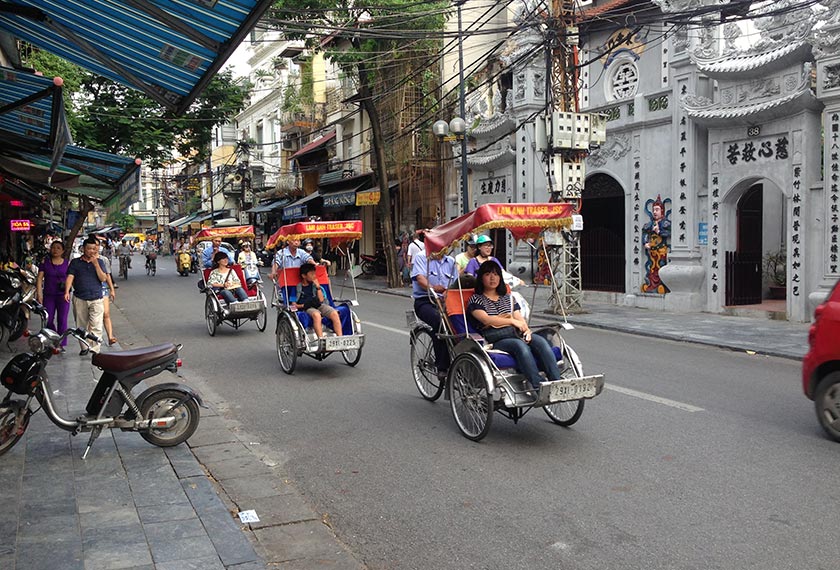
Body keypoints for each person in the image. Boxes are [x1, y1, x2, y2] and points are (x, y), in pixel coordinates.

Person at [468, 260, 561, 391]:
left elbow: (519, 318)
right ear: (481, 277)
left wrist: (527, 330)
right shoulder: (476, 299)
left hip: (516, 333)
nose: (492, 278)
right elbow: (486, 320)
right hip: (496, 338)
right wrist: (511, 321)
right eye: (488, 274)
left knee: (541, 342)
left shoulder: (508, 298)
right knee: (520, 346)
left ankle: (556, 381)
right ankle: (537, 384)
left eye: (496, 274)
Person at [411, 247, 458, 379]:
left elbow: (456, 284)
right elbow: (420, 279)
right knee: (439, 322)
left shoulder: (451, 262)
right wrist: (433, 288)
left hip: (447, 301)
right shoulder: (421, 257)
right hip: (426, 301)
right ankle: (442, 367)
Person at [64, 237, 109, 355]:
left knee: (96, 324)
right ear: (83, 249)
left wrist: (96, 265)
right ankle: (84, 347)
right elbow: (70, 276)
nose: (92, 251)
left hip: (96, 298)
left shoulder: (100, 262)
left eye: (94, 249)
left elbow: (103, 278)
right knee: (81, 325)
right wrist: (67, 291)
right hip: (80, 298)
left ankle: (95, 349)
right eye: (89, 249)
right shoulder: (75, 262)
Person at [36, 241, 71, 351]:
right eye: (53, 248)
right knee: (48, 319)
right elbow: (39, 278)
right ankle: (53, 337)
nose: (55, 250)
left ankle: (60, 343)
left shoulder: (67, 263)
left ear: (63, 251)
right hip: (48, 295)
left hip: (63, 296)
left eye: (58, 248)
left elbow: (71, 278)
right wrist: (39, 294)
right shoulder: (45, 263)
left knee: (62, 320)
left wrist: (68, 290)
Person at [294, 262, 342, 338]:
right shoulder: (296, 288)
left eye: (314, 274)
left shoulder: (314, 285)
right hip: (307, 307)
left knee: (334, 313)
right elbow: (293, 304)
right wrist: (304, 305)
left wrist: (318, 286)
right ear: (304, 276)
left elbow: (321, 300)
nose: (314, 276)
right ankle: (321, 339)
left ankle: (340, 338)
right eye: (311, 274)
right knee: (317, 315)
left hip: (318, 304)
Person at [99, 254, 118, 346]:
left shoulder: (103, 259)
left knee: (106, 314)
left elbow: (108, 275)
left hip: (103, 289)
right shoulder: (82, 260)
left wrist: (112, 289)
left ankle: (110, 337)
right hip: (88, 291)